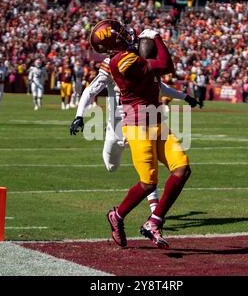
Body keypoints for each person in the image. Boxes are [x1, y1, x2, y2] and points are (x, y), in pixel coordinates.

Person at [89, 20, 192, 249]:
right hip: (137, 126)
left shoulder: (130, 55)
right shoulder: (122, 60)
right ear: (114, 40)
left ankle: (154, 221)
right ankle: (117, 215)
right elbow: (165, 65)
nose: (127, 33)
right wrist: (156, 37)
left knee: (182, 168)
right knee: (148, 183)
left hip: (157, 121)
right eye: (121, 32)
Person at [70, 56, 197, 214]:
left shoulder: (141, 62)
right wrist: (79, 115)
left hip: (138, 124)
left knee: (148, 170)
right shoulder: (112, 63)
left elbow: (160, 86)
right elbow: (91, 90)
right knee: (111, 166)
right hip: (115, 129)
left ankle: (155, 212)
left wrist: (185, 97)